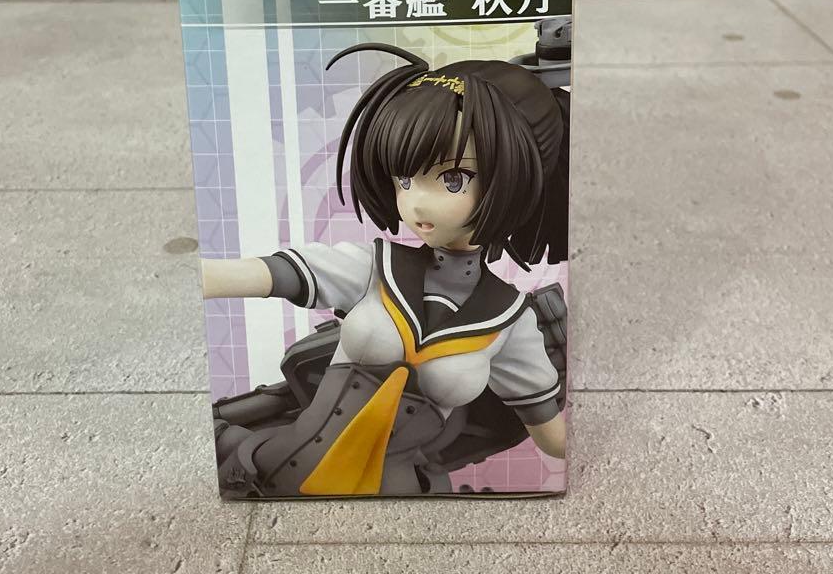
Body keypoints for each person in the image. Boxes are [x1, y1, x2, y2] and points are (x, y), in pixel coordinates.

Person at [202, 41, 570, 496]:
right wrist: (200, 277)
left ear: (515, 178)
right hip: (269, 469)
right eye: (404, 179)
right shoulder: (377, 267)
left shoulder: (508, 319)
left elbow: (550, 435)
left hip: (400, 493)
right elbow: (277, 274)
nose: (414, 202)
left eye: (453, 178)